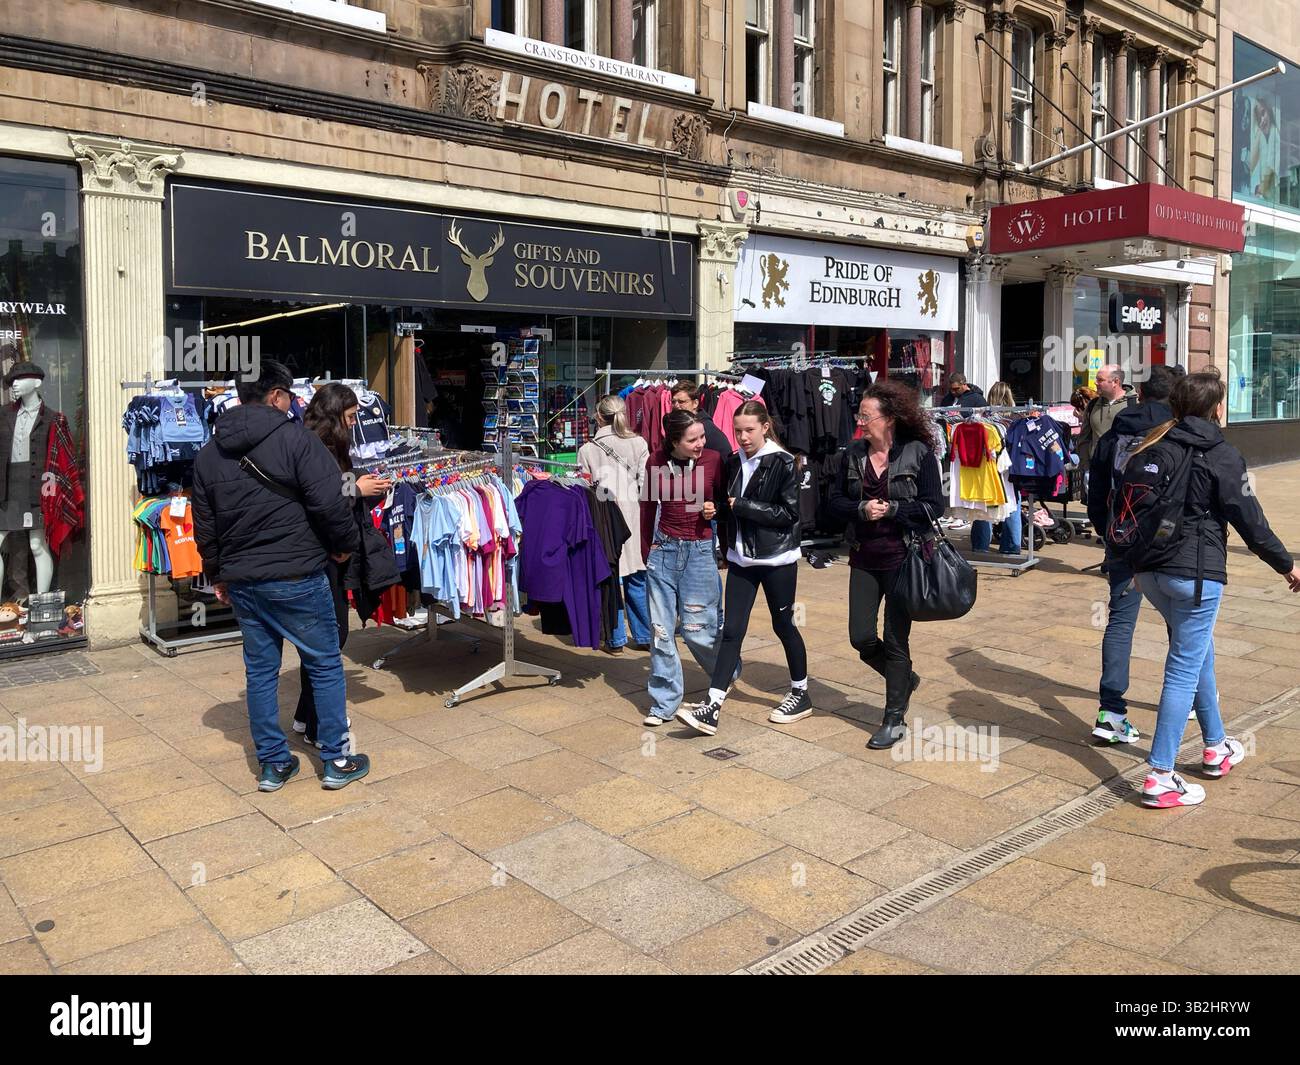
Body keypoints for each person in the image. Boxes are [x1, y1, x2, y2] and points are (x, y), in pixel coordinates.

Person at [191, 360, 370, 792]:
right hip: (298, 574)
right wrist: (346, 546)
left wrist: (217, 573)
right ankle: (335, 760)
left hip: (244, 581)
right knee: (324, 663)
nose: (292, 403)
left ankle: (273, 764)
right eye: (288, 396)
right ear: (275, 396)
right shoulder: (297, 440)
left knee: (260, 672)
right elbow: (330, 503)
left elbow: (205, 525)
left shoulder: (209, 452)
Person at [1126, 370, 1299, 808]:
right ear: (1217, 407)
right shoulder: (1222, 453)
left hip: (1149, 573)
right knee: (1183, 666)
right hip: (1195, 576)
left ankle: (1216, 747)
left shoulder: (1153, 445)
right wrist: (1286, 565)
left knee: (1196, 650)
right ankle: (1161, 775)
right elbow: (1250, 520)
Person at [678, 402, 809, 736]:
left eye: (749, 429)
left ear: (765, 426)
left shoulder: (783, 462)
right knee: (732, 631)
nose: (742, 436)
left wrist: (742, 506)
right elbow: (731, 504)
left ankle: (800, 692)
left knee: (784, 626)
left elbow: (789, 515)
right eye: (738, 430)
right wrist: (717, 509)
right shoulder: (734, 461)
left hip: (776, 559)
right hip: (741, 558)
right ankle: (712, 704)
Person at [828, 381, 944, 749]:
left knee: (896, 639)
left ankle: (894, 717)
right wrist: (861, 508)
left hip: (903, 558)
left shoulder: (919, 453)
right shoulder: (852, 455)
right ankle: (904, 679)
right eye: (860, 415)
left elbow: (933, 507)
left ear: (890, 418)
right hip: (863, 556)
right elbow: (832, 503)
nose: (861, 422)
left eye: (867, 415)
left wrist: (894, 509)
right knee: (860, 636)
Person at [293, 383, 393, 746]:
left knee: (324, 639)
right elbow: (317, 499)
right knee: (330, 639)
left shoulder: (328, 447)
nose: (354, 425)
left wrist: (359, 486)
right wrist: (356, 490)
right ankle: (321, 728)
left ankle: (306, 716)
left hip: (329, 554)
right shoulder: (312, 447)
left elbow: (333, 486)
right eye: (350, 417)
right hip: (320, 556)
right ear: (334, 415)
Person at [1086, 365, 1177, 744]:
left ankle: (1111, 712)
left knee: (1120, 622)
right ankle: (1187, 700)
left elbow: (1094, 490)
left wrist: (1106, 529)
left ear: (1139, 389)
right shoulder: (1179, 432)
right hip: (1170, 543)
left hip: (1122, 537)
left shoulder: (1115, 432)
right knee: (1183, 622)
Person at [640, 409, 727, 726]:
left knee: (698, 632)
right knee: (661, 632)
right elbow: (648, 507)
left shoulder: (714, 460)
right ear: (674, 441)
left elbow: (725, 502)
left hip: (700, 551)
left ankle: (724, 671)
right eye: (693, 439)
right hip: (663, 552)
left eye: (702, 436)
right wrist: (646, 550)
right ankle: (663, 702)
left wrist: (713, 510)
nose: (701, 443)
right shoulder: (655, 462)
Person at [578, 394, 651, 654]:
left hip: (604, 521)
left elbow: (584, 489)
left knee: (612, 580)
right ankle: (644, 636)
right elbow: (646, 486)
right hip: (634, 517)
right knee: (637, 578)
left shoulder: (587, 450)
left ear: (599, 417)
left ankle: (615, 639)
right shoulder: (639, 443)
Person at [970, 381, 1022, 555]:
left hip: (986, 465)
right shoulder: (1018, 418)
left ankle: (980, 545)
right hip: (1011, 466)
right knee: (1012, 504)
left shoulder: (981, 417)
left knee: (984, 503)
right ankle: (1011, 546)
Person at [1077, 365, 1136, 472]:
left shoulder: (1134, 404)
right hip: (1095, 469)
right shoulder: (1092, 405)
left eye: (1100, 380)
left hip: (1123, 471)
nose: (1095, 383)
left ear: (1115, 382)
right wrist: (1086, 468)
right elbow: (1084, 439)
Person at [671, 380, 731, 461]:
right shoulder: (681, 424)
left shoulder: (706, 428)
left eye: (682, 402)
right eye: (673, 402)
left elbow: (725, 457)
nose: (676, 406)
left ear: (695, 403)